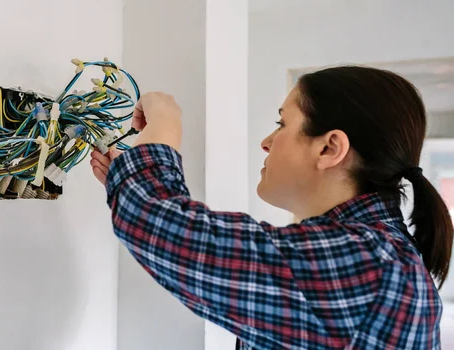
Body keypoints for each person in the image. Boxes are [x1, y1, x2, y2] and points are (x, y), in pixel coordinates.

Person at [89, 66, 453, 349]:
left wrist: (164, 132)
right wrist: (133, 183)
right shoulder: (374, 255)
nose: (266, 142)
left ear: (329, 148)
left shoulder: (369, 262)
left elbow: (164, 229)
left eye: (282, 124)